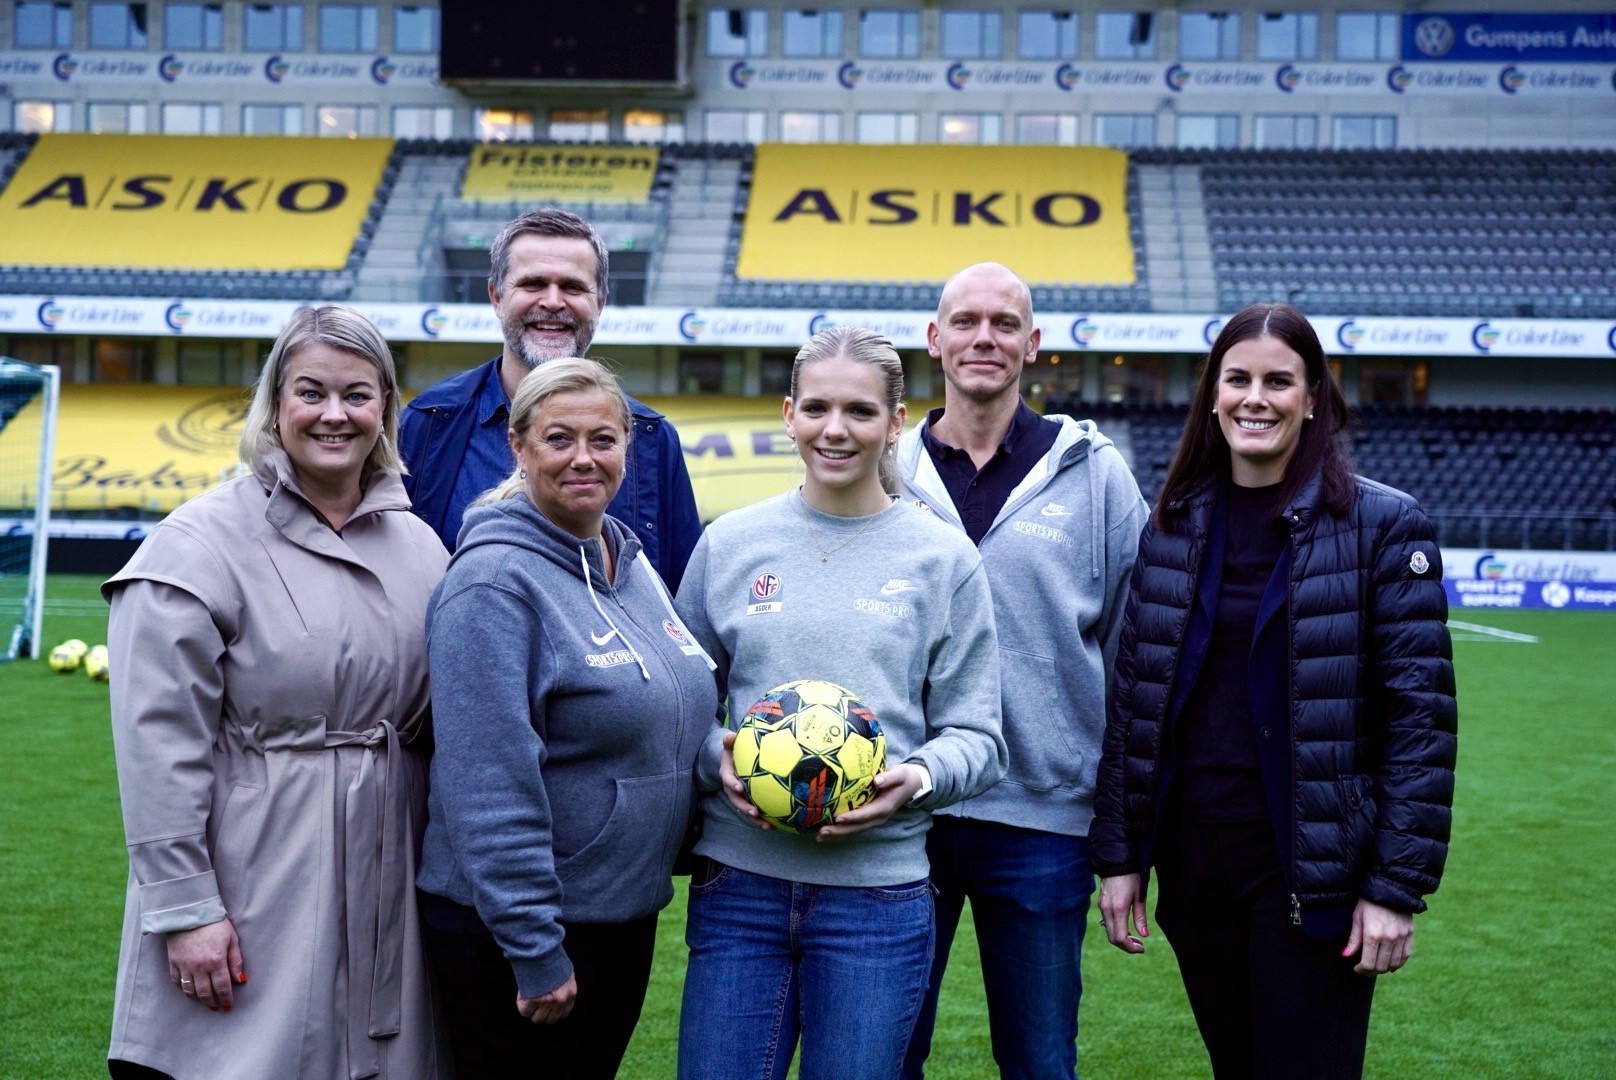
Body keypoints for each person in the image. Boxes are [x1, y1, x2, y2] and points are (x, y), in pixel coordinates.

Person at [1091, 303, 1458, 1079]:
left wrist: (1394, 887)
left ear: (1314, 396)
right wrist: (1122, 855)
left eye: (1279, 381)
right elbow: (1136, 703)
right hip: (1195, 868)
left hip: (1308, 868)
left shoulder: (1383, 525)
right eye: (1239, 379)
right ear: (1213, 394)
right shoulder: (1173, 523)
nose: (1256, 397)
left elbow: (1419, 722)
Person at [103, 306, 447, 1080]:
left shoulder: (422, 544)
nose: (335, 414)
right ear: (275, 403)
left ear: (385, 409)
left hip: (393, 873)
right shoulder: (197, 544)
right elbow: (156, 746)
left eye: (358, 395)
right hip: (259, 876)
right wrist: (188, 911)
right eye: (311, 392)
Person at [674, 325, 1008, 1080]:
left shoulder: (943, 560)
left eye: (860, 411)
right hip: (739, 889)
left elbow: (980, 736)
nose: (836, 429)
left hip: (877, 901)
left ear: (895, 422)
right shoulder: (729, 544)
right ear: (788, 414)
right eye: (817, 407)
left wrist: (914, 780)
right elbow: (680, 705)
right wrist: (712, 759)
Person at [416, 357, 719, 1079]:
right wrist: (533, 946)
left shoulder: (627, 560)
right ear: (518, 448)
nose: (584, 457)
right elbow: (487, 784)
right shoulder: (492, 584)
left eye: (603, 439)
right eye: (559, 439)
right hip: (523, 934)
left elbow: (671, 708)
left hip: (618, 913)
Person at [897, 263, 1148, 1080]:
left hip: (1043, 823)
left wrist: (1122, 835)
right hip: (900, 818)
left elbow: (1137, 657)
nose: (984, 338)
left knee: (1040, 1062)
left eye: (1004, 323)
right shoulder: (884, 471)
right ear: (934, 340)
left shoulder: (1095, 473)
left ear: (1032, 344)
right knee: (884, 1052)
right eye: (964, 321)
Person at [399, 206, 702, 589]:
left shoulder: (651, 439)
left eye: (573, 287)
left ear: (601, 302)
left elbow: (679, 599)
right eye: (533, 284)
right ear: (496, 296)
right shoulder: (428, 424)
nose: (554, 302)